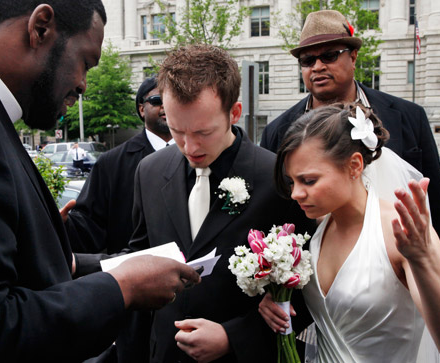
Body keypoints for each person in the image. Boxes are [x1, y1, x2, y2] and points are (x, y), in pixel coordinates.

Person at [0, 0, 201, 361]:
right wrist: (123, 288)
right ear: (41, 27)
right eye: (84, 62)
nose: (82, 84)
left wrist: (83, 262)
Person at [126, 44, 314, 362]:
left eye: (203, 131)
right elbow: (140, 260)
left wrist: (234, 337)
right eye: (176, 130)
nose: (189, 145)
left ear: (234, 113)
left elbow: (308, 291)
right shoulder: (149, 171)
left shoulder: (279, 178)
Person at [258, 103, 440, 362]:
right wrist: (277, 300)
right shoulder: (318, 229)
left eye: (309, 181)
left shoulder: (401, 232)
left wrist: (422, 260)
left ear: (354, 166)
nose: (295, 194)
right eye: (292, 181)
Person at [260, 9, 440, 284]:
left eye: (329, 55)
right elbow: (274, 216)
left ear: (353, 56)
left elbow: (437, 207)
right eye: (307, 60)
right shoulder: (277, 132)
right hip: (316, 285)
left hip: (403, 273)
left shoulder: (408, 116)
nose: (317, 66)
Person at [64, 76, 171, 363]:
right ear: (141, 109)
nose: (164, 107)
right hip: (132, 299)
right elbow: (88, 225)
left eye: (170, 99)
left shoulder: (198, 157)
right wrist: (59, 228)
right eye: (156, 100)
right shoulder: (112, 163)